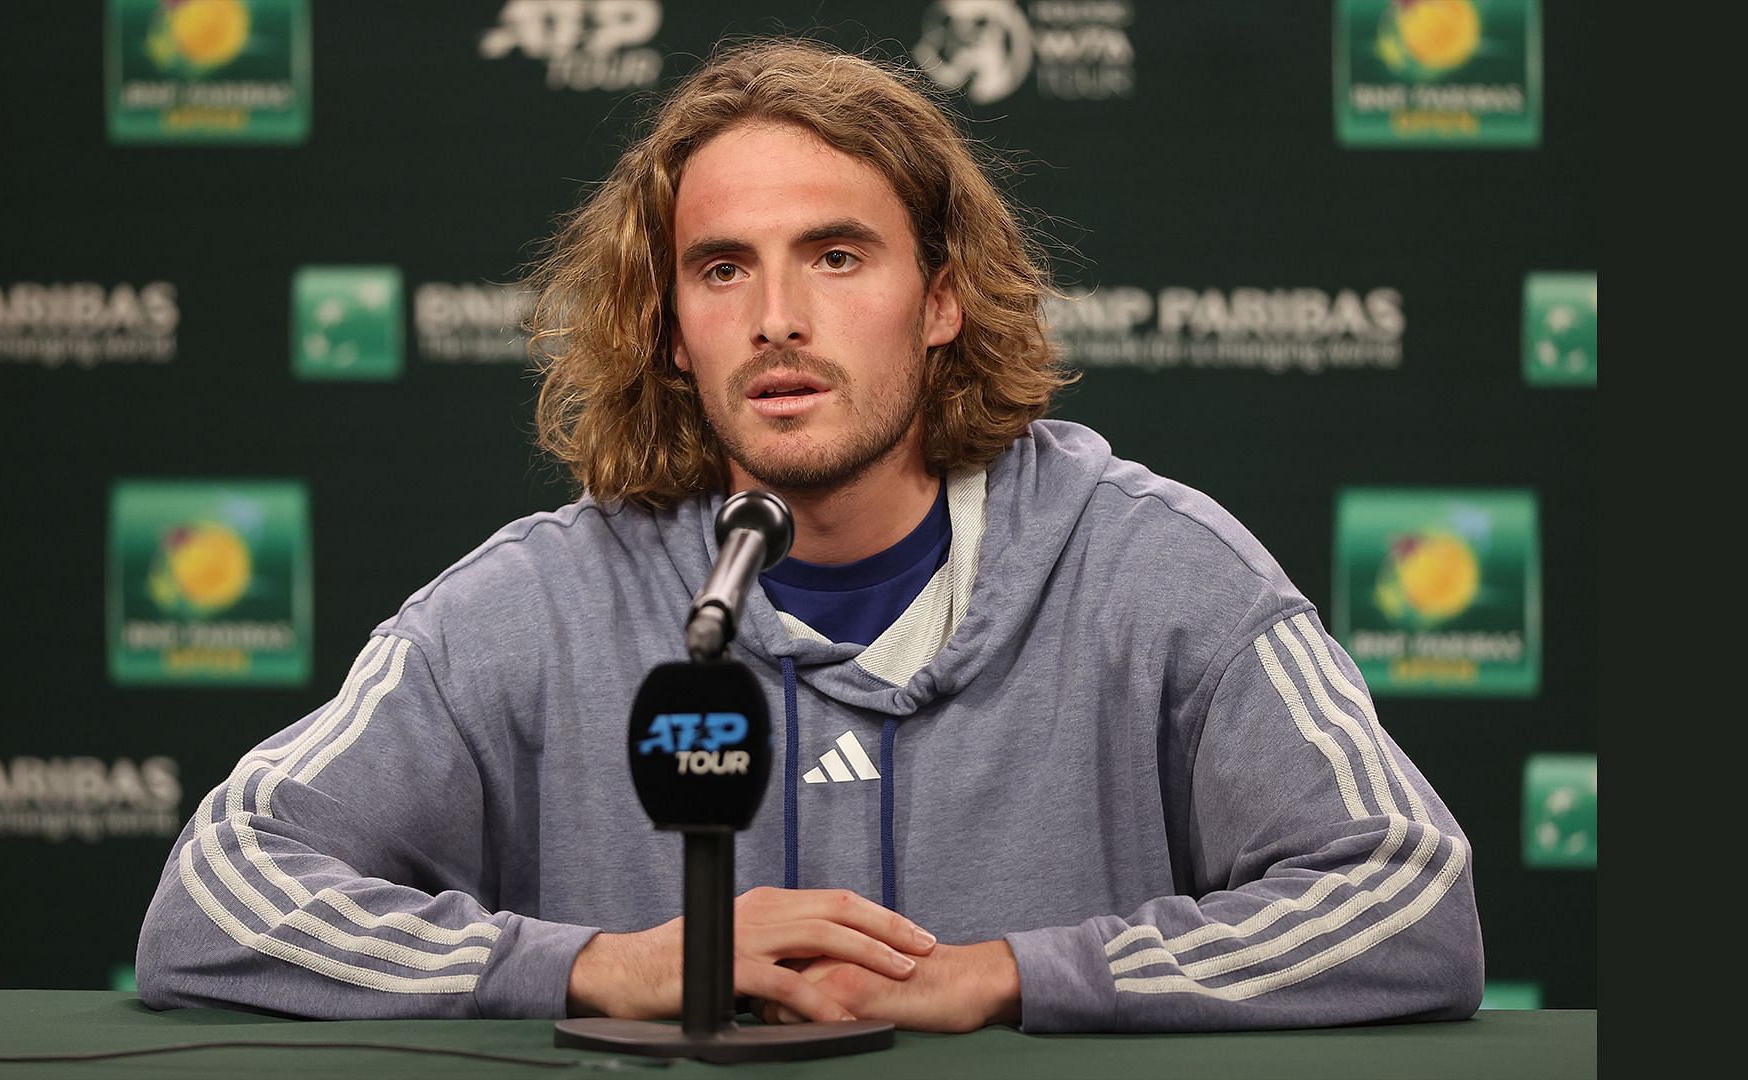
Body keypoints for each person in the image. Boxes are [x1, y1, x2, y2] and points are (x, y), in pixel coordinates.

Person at [137, 38, 1483, 1033]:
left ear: (942, 300)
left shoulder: (1155, 570)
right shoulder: (537, 604)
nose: (778, 316)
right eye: (725, 269)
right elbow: (217, 889)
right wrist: (606, 962)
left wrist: (1009, 975)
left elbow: (1408, 896)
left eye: (838, 256)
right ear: (672, 327)